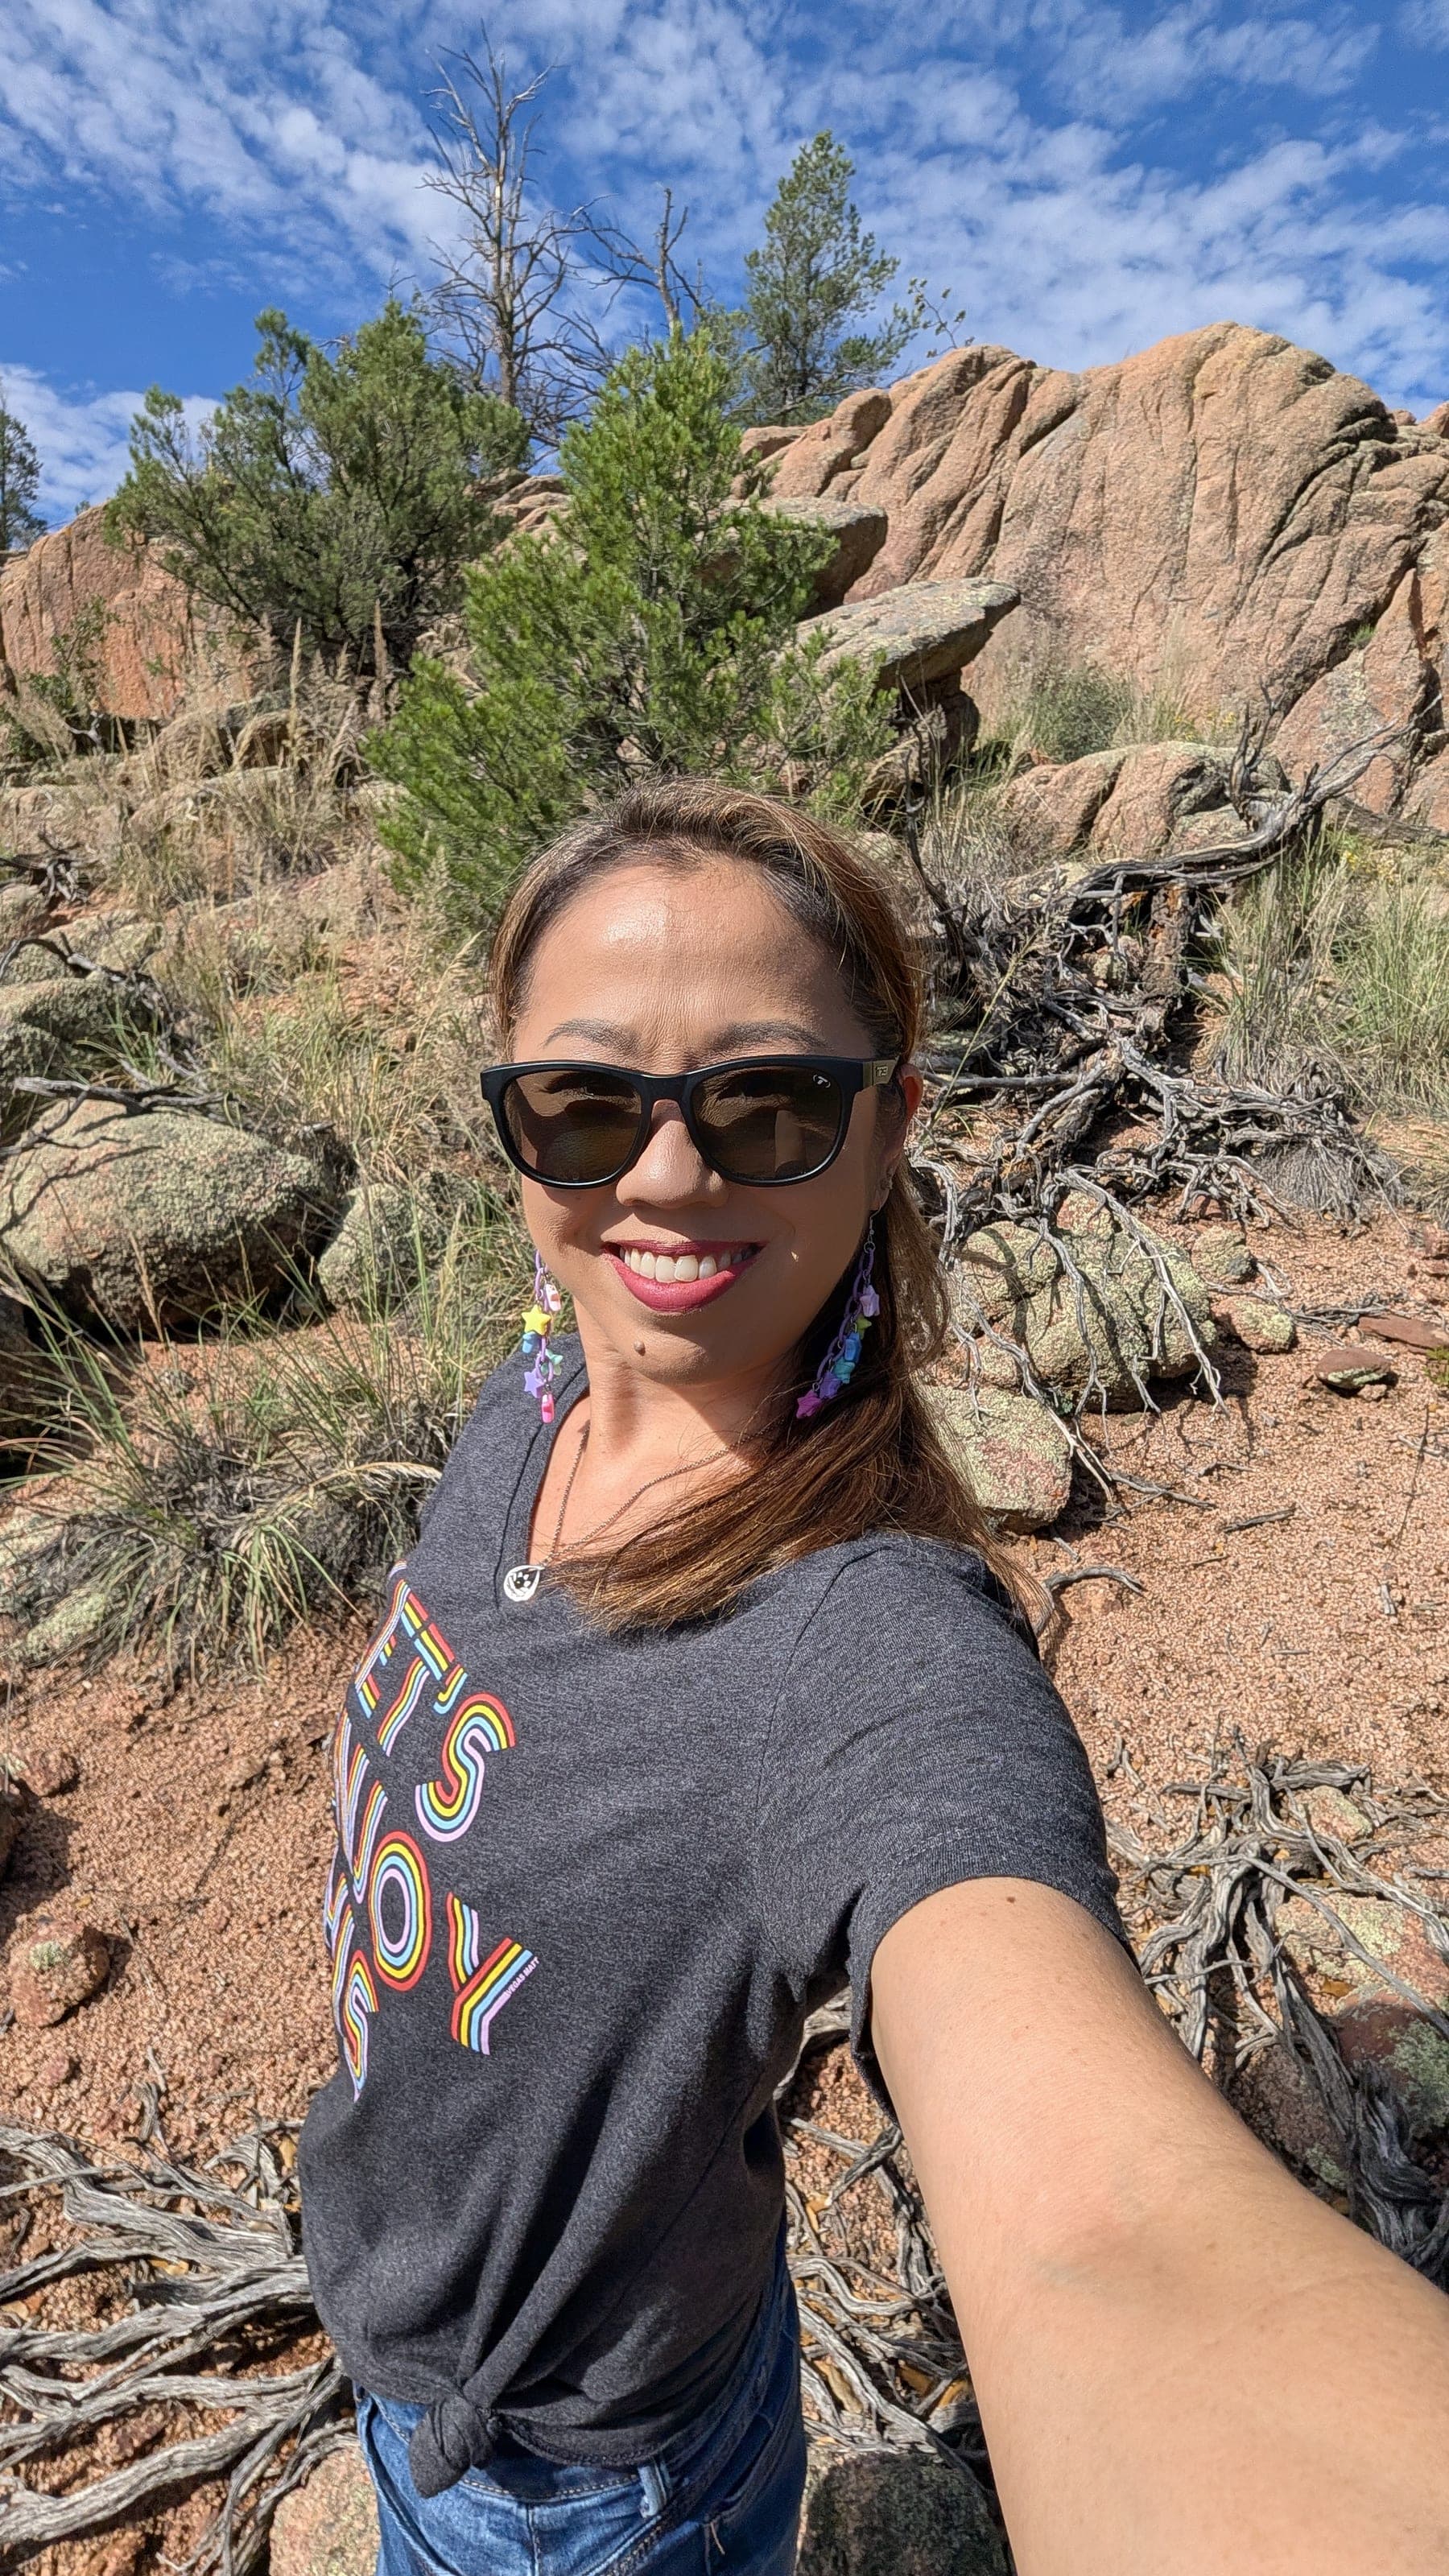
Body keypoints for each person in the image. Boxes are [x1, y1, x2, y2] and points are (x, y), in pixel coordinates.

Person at [299, 780, 1449, 2576]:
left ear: (890, 1121)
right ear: (511, 1119)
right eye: (584, 1105)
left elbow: (1108, 2233)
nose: (662, 1176)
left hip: (576, 2496)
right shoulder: (530, 1408)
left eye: (768, 1105)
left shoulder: (869, 1642)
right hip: (431, 2367)